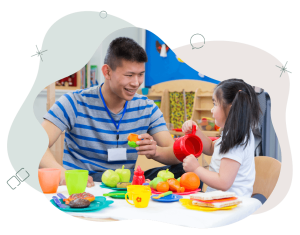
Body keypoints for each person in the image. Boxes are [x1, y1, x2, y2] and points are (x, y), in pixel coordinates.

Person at [39, 37, 185, 187]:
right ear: (107, 72)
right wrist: (63, 173)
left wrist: (156, 152)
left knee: (185, 171)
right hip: (87, 183)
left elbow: (175, 153)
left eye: (140, 74)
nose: (136, 83)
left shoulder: (147, 108)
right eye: (129, 75)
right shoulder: (74, 102)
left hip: (124, 183)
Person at [181, 78, 262, 197]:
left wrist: (196, 168)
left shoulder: (236, 139)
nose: (211, 110)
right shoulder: (234, 132)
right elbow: (211, 147)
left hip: (230, 204)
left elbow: (223, 182)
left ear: (230, 108)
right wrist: (196, 132)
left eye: (215, 104)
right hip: (222, 200)